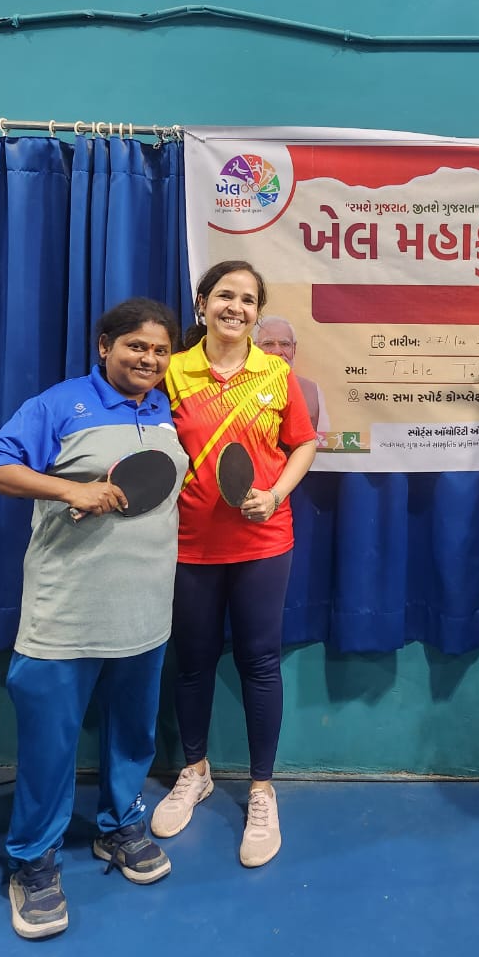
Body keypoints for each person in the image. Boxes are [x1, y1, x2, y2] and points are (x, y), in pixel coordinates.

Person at [0, 299, 188, 940]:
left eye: (160, 350)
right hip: (66, 613)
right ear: (104, 346)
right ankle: (33, 861)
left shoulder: (165, 412)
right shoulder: (61, 404)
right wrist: (70, 488)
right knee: (49, 743)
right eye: (136, 346)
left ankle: (120, 826)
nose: (149, 359)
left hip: (145, 609)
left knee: (133, 734)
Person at [150, 261, 317, 868]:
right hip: (189, 543)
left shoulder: (276, 373)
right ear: (202, 303)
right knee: (192, 660)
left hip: (263, 541)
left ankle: (262, 789)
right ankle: (194, 771)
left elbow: (304, 442)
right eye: (226, 295)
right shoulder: (172, 372)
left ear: (256, 312)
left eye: (248, 300)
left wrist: (275, 494)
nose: (236, 308)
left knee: (260, 661)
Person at [255, 314, 330, 433]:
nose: (277, 351)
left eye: (285, 344)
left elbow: (322, 439)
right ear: (255, 348)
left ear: (294, 349)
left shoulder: (313, 391)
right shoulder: (240, 387)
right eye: (268, 344)